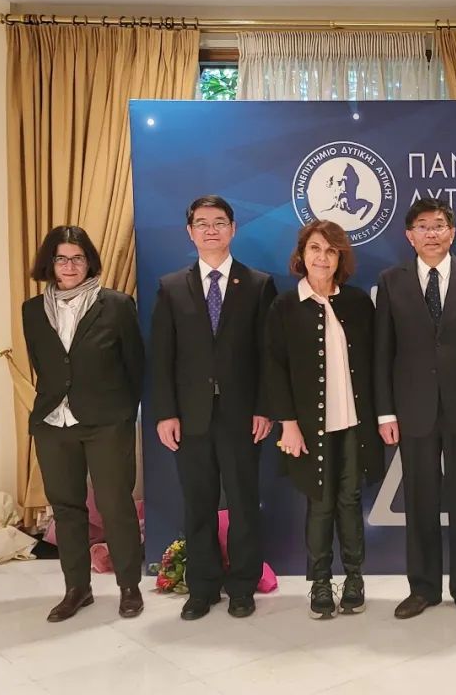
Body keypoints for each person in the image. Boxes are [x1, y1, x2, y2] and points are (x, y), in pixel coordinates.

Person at [374, 197, 456, 621]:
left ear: (453, 231)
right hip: (413, 409)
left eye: (439, 225)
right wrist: (386, 412)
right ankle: (423, 588)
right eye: (423, 226)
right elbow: (383, 352)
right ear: (409, 236)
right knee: (420, 501)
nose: (432, 233)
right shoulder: (391, 281)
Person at [150, 195, 276, 620]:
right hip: (191, 416)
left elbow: (268, 355)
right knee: (198, 503)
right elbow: (162, 357)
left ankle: (242, 586)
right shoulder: (171, 287)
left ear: (233, 229)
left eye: (219, 222)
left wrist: (264, 407)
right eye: (201, 223)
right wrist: (166, 412)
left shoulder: (258, 284)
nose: (210, 230)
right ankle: (202, 588)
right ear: (190, 232)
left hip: (242, 415)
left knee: (243, 502)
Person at [22, 225, 145, 622]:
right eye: (61, 258)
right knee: (66, 508)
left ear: (89, 261)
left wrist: (123, 413)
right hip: (52, 422)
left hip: (107, 422)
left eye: (78, 258)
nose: (70, 265)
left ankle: (129, 586)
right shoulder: (32, 310)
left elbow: (136, 366)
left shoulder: (117, 304)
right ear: (50, 263)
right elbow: (45, 366)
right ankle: (77, 588)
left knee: (115, 504)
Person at [264, 221, 384, 619]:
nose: (322, 257)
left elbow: (374, 362)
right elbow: (274, 368)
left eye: (331, 251)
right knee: (319, 501)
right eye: (315, 248)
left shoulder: (357, 303)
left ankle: (354, 578)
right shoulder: (285, 306)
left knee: (350, 499)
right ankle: (319, 582)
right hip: (308, 427)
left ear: (340, 258)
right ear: (302, 255)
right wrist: (288, 423)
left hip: (353, 422)